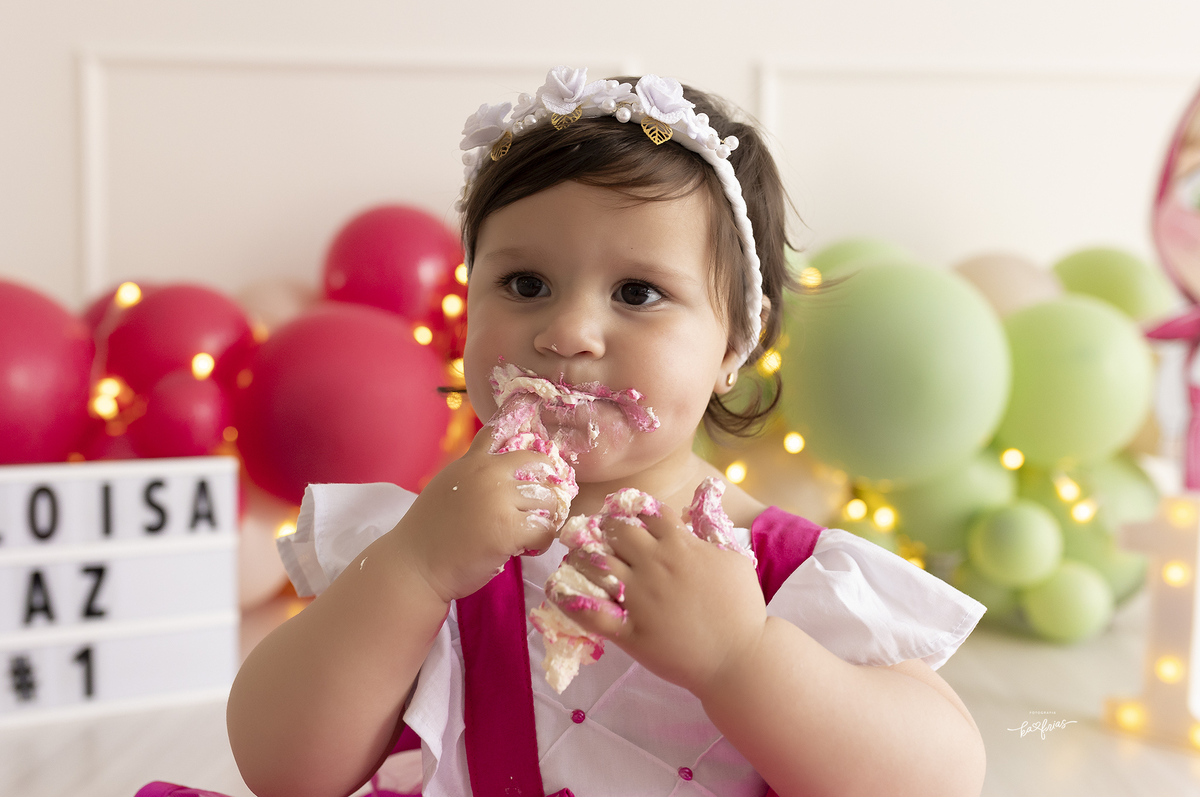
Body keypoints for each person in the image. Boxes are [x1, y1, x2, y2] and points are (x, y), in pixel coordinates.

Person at [225, 66, 987, 797]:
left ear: (731, 350)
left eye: (637, 292)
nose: (568, 332)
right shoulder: (430, 543)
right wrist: (414, 570)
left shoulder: (781, 574)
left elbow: (941, 778)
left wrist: (742, 656)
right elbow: (284, 769)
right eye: (525, 285)